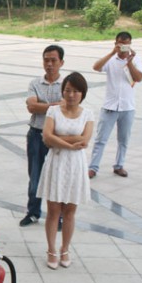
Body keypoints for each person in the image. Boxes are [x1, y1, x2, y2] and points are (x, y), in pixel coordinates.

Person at [37, 72, 94, 270]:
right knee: (53, 211)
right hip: (57, 162)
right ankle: (51, 249)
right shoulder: (53, 111)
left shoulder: (88, 113)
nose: (71, 95)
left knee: (70, 212)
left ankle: (65, 248)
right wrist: (71, 142)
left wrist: (59, 139)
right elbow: (46, 137)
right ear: (63, 91)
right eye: (68, 90)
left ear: (82, 93)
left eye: (76, 91)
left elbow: (85, 140)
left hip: (76, 165)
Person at [19, 45, 65, 227]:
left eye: (54, 60)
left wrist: (43, 105)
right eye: (46, 60)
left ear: (61, 62)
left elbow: (68, 107)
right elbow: (31, 107)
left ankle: (59, 216)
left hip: (58, 137)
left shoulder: (67, 84)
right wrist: (56, 105)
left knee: (57, 176)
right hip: (37, 134)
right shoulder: (35, 83)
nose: (50, 64)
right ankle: (33, 212)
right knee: (35, 176)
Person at [88, 31, 142, 179]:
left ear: (130, 45)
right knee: (101, 139)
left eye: (126, 44)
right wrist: (112, 52)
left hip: (127, 107)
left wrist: (129, 63)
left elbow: (138, 78)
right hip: (110, 106)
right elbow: (96, 67)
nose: (124, 47)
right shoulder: (111, 59)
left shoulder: (136, 59)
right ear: (116, 43)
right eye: (120, 43)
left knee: (123, 139)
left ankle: (119, 165)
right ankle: (93, 167)